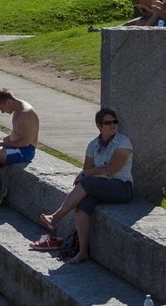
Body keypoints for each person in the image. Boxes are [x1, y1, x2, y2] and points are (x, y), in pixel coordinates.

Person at [35, 108, 134, 263]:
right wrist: (89, 174)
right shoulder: (93, 145)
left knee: (86, 181)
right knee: (82, 206)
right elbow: (87, 170)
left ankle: (55, 217)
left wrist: (88, 174)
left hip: (121, 187)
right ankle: (82, 251)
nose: (112, 125)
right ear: (99, 126)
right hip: (100, 186)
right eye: (108, 123)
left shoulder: (123, 141)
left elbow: (112, 169)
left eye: (115, 121)